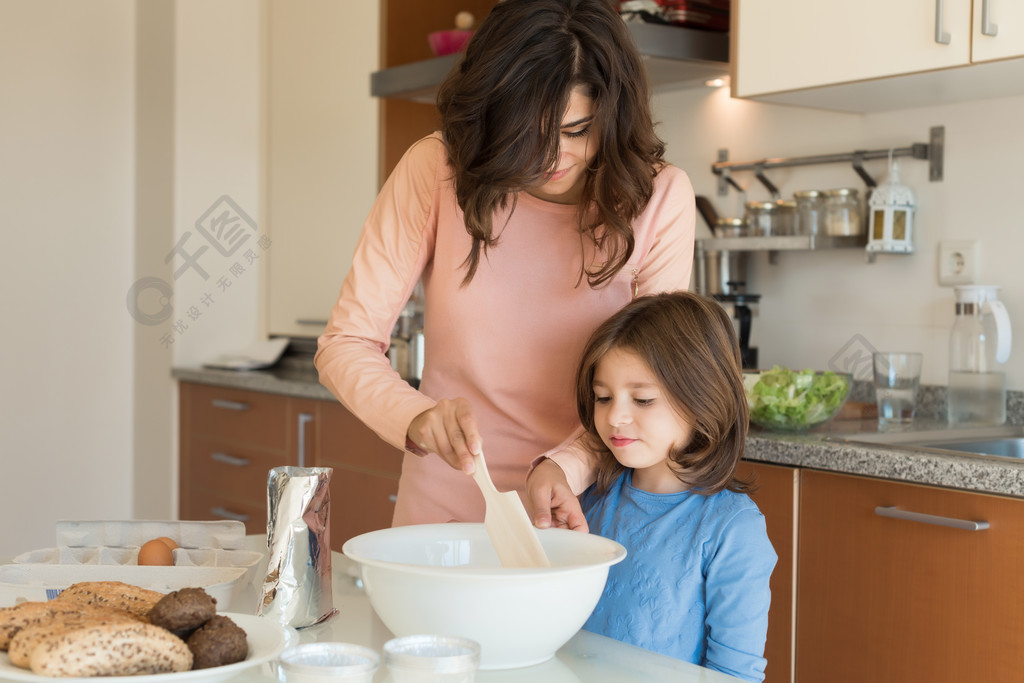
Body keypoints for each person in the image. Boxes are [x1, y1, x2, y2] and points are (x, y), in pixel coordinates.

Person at [314, 0, 696, 526]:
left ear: (613, 114)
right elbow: (346, 344)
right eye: (527, 134)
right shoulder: (438, 169)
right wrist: (418, 417)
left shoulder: (660, 196)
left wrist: (567, 465)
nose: (552, 158)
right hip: (449, 500)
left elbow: (662, 381)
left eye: (578, 131)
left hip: (586, 502)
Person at [573, 291, 776, 682]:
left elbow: (734, 673)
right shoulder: (588, 499)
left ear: (703, 399)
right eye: (603, 396)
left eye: (643, 399)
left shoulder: (733, 529)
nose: (615, 415)